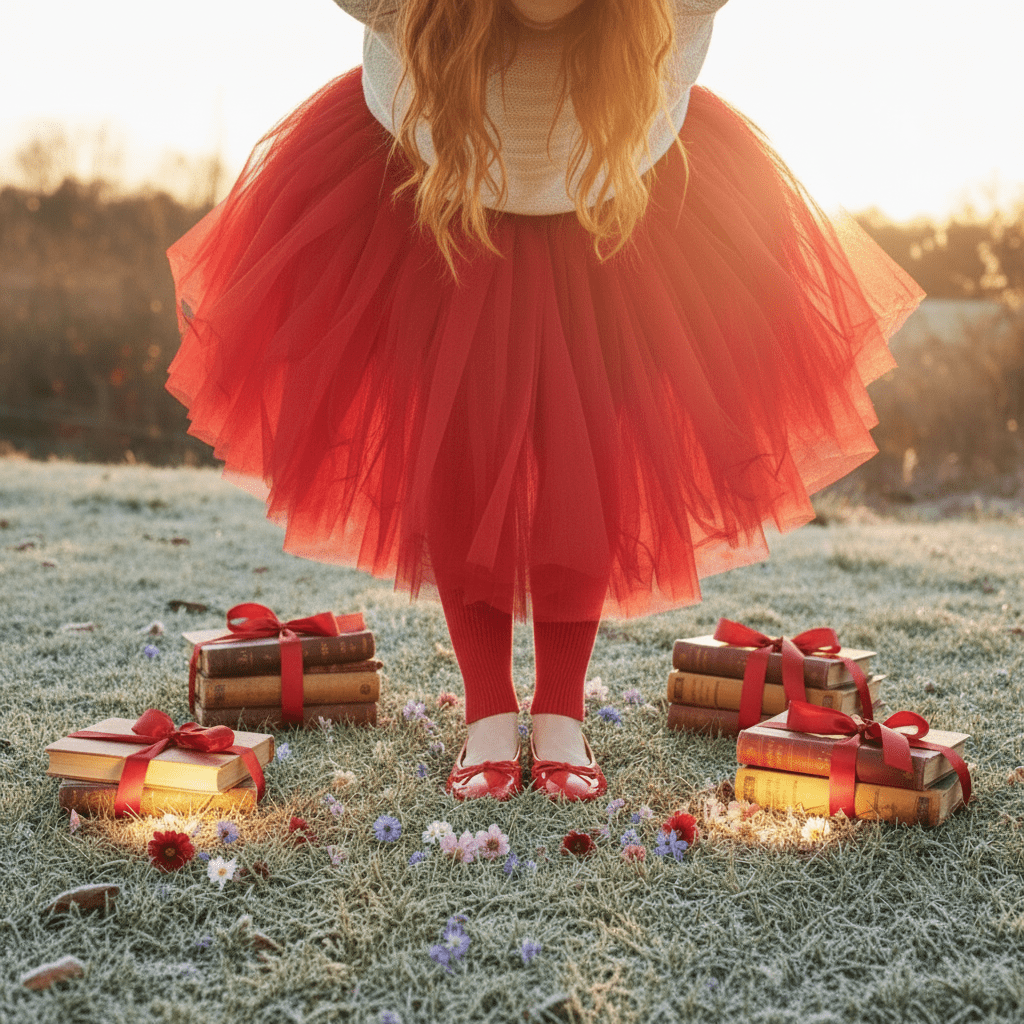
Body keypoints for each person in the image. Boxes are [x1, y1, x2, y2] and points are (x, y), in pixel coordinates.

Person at [165, 0, 924, 802]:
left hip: (624, 191)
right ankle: (488, 710)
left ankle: (561, 710)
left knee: (587, 453)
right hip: (435, 185)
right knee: (459, 449)